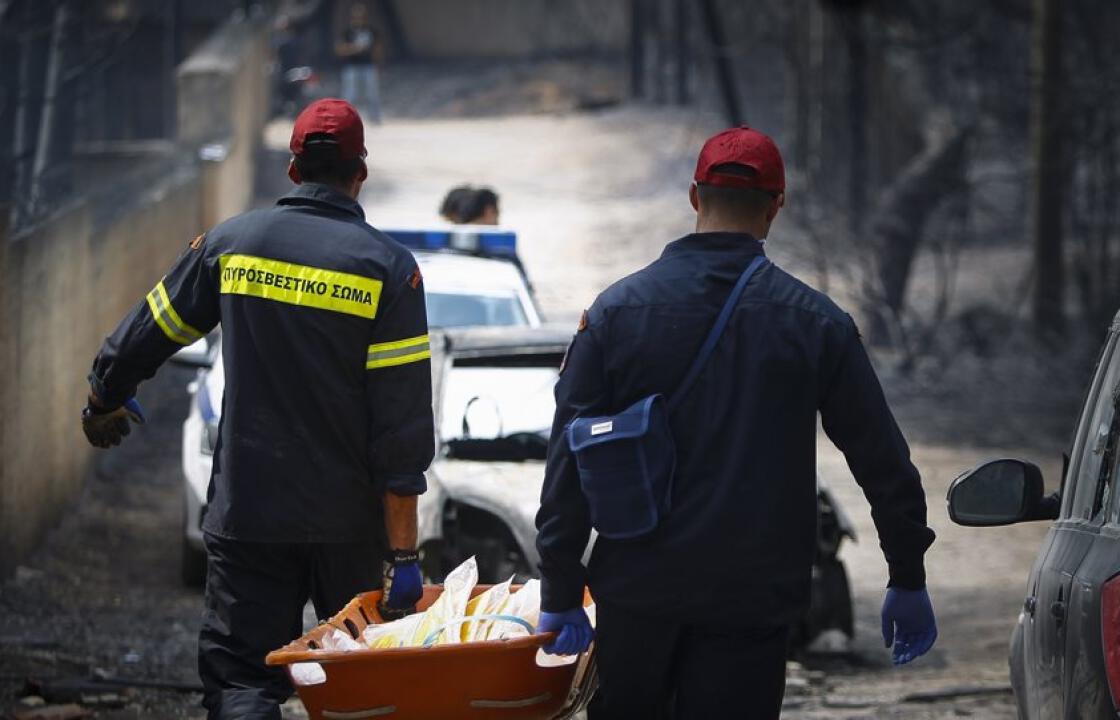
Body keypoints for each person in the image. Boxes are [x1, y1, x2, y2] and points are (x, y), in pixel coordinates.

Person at [534, 127, 938, 718]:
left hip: (637, 598)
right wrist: (906, 573)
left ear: (694, 197)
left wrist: (561, 589)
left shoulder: (615, 313)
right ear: (777, 206)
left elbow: (569, 460)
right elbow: (881, 461)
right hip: (751, 603)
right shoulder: (817, 324)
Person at [80, 99, 434, 719]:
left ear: (293, 169)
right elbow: (400, 430)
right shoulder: (388, 272)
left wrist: (104, 395)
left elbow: (151, 329)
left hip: (250, 513)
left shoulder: (232, 245)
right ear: (360, 174)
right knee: (361, 688)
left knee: (243, 681)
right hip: (347, 526)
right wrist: (403, 556)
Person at [335, 2, 384, 123]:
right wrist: (355, 48)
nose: (359, 19)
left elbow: (377, 50)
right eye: (357, 16)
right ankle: (345, 119)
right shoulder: (347, 32)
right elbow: (339, 49)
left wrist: (378, 65)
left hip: (368, 66)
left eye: (362, 16)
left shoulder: (372, 31)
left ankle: (375, 118)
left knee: (373, 94)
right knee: (349, 94)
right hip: (351, 66)